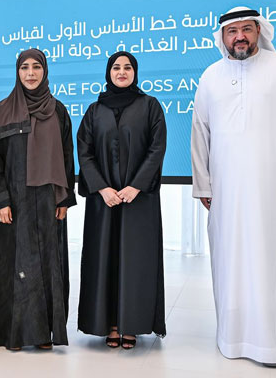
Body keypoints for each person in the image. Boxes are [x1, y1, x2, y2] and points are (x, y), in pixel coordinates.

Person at [191, 6, 276, 367]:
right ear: (222, 37)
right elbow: (200, 132)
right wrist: (203, 184)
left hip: (274, 188)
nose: (240, 36)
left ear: (259, 31)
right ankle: (231, 337)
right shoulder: (211, 76)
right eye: (232, 31)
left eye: (246, 29)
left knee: (272, 258)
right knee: (229, 260)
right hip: (226, 191)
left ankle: (273, 343)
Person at [0, 48, 76, 350]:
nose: (30, 73)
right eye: (24, 67)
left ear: (45, 71)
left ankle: (43, 334)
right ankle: (13, 334)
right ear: (17, 72)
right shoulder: (4, 108)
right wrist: (0, 200)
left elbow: (67, 158)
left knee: (47, 267)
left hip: (49, 201)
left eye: (36, 67)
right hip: (14, 202)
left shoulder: (58, 110)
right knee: (14, 267)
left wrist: (64, 199)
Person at [76, 51, 167, 350]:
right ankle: (109, 324)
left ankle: (133, 324)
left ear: (135, 72)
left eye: (128, 67)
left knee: (136, 261)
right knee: (104, 259)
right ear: (108, 73)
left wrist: (136, 186)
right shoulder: (94, 110)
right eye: (116, 67)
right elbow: (84, 152)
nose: (122, 72)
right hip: (104, 201)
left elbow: (157, 148)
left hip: (138, 201)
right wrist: (102, 188)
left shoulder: (150, 106)